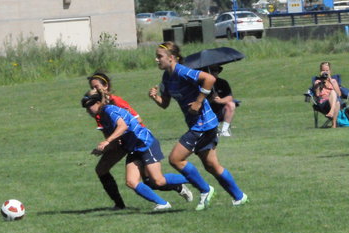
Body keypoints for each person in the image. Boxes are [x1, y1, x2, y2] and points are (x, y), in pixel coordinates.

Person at [149, 42, 248, 210]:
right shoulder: (167, 77)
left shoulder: (182, 71)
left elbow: (209, 79)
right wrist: (154, 97)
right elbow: (165, 103)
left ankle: (205, 190)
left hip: (203, 124)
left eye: (160, 56)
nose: (156, 59)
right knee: (211, 166)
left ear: (171, 58)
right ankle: (240, 196)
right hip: (198, 124)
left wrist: (198, 101)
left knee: (175, 159)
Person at [86, 72, 192, 209]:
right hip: (123, 142)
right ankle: (120, 205)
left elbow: (136, 120)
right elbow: (108, 132)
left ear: (105, 86)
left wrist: (117, 137)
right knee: (112, 173)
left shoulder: (115, 102)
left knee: (153, 180)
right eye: (91, 87)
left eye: (95, 86)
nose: (93, 90)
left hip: (138, 141)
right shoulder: (97, 107)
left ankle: (191, 182)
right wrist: (106, 145)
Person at [206, 65, 236, 137]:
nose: (214, 73)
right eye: (212, 71)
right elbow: (199, 101)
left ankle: (224, 130)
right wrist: (211, 99)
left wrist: (220, 100)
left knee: (231, 105)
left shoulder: (223, 82)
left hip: (221, 110)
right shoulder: (203, 83)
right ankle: (212, 130)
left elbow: (229, 97)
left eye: (216, 71)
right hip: (207, 111)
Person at [312, 61, 341, 128]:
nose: (325, 72)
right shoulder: (317, 82)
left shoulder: (333, 81)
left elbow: (339, 94)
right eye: (323, 70)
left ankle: (331, 113)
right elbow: (317, 94)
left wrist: (330, 80)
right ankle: (334, 123)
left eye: (327, 70)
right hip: (323, 103)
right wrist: (321, 82)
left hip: (334, 101)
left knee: (333, 93)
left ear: (330, 71)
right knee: (337, 102)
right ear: (320, 71)